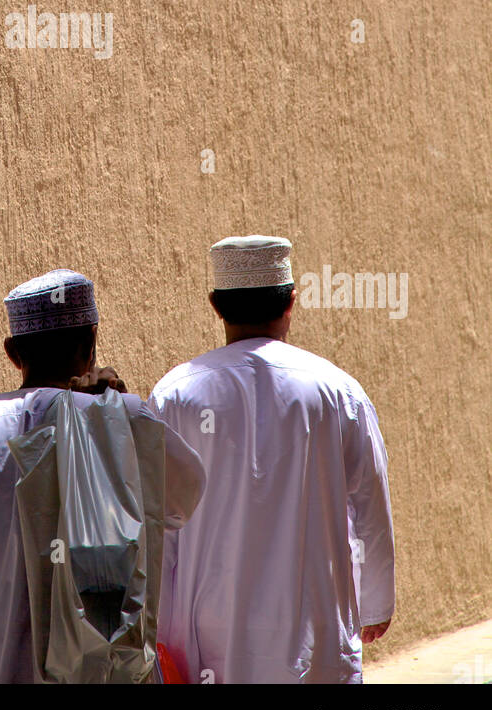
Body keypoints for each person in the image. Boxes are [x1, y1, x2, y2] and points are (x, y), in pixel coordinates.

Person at [0, 268, 204, 684]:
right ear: (92, 344)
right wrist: (117, 416)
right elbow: (185, 497)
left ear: (13, 353)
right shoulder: (121, 420)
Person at [148, 235, 395, 684]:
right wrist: (375, 602)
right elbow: (370, 503)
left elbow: (156, 523)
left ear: (216, 305)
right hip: (314, 630)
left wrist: (158, 625)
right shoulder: (337, 390)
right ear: (292, 302)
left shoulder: (175, 394)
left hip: (207, 631)